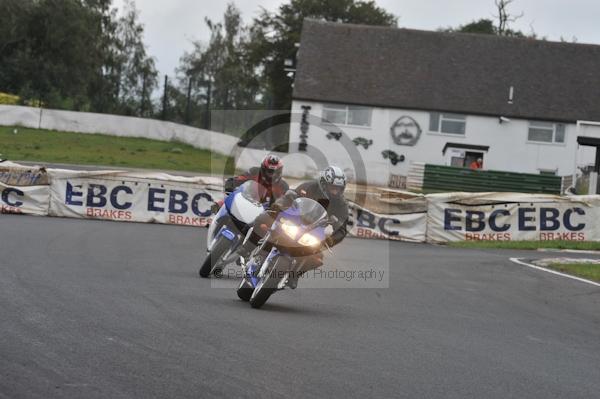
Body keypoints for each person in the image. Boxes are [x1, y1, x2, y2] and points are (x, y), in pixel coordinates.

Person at [237, 165, 350, 288]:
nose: (335, 192)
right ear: (323, 183)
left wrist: (330, 240)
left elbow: (342, 229)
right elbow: (289, 196)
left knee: (317, 257)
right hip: (294, 218)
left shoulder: (341, 204)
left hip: (314, 229)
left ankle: (295, 274)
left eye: (339, 189)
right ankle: (248, 247)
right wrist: (278, 206)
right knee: (264, 218)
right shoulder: (308, 187)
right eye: (333, 188)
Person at [222, 154, 289, 206]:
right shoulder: (254, 172)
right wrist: (230, 186)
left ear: (279, 171)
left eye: (274, 172)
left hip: (269, 215)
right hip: (247, 205)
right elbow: (238, 179)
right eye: (269, 171)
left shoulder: (283, 186)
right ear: (263, 168)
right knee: (224, 203)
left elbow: (289, 202)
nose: (271, 175)